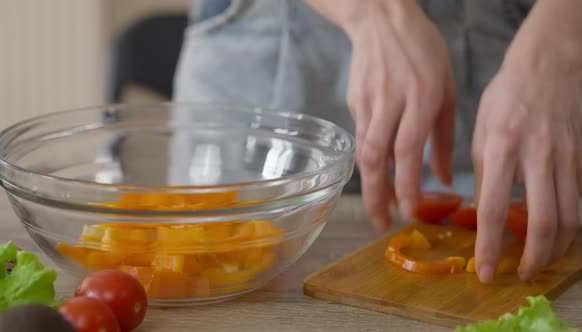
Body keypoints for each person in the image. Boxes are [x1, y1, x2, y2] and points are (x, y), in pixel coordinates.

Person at [172, 0, 582, 284]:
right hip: (265, 31)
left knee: (513, 264)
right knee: (217, 277)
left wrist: (559, 44)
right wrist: (376, 11)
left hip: (526, 34)